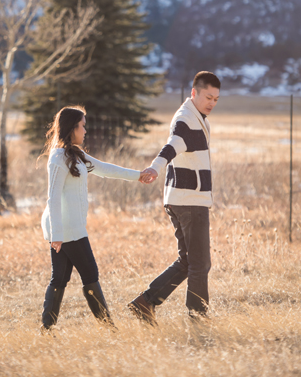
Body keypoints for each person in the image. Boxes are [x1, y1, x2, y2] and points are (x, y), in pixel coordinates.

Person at [39, 105, 149, 330]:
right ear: (72, 128)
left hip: (67, 228)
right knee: (90, 273)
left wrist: (138, 176)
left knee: (59, 279)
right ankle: (110, 328)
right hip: (67, 229)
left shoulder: (75, 154)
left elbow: (104, 169)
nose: (85, 131)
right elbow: (53, 198)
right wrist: (57, 235)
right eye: (82, 126)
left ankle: (46, 330)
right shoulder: (58, 158)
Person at [129, 71, 221, 324]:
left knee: (189, 261)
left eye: (215, 98)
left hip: (181, 197)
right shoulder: (187, 119)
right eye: (207, 97)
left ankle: (145, 303)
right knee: (200, 264)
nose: (211, 103)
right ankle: (198, 318)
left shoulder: (196, 116)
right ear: (194, 93)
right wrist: (155, 167)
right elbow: (173, 144)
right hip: (190, 200)